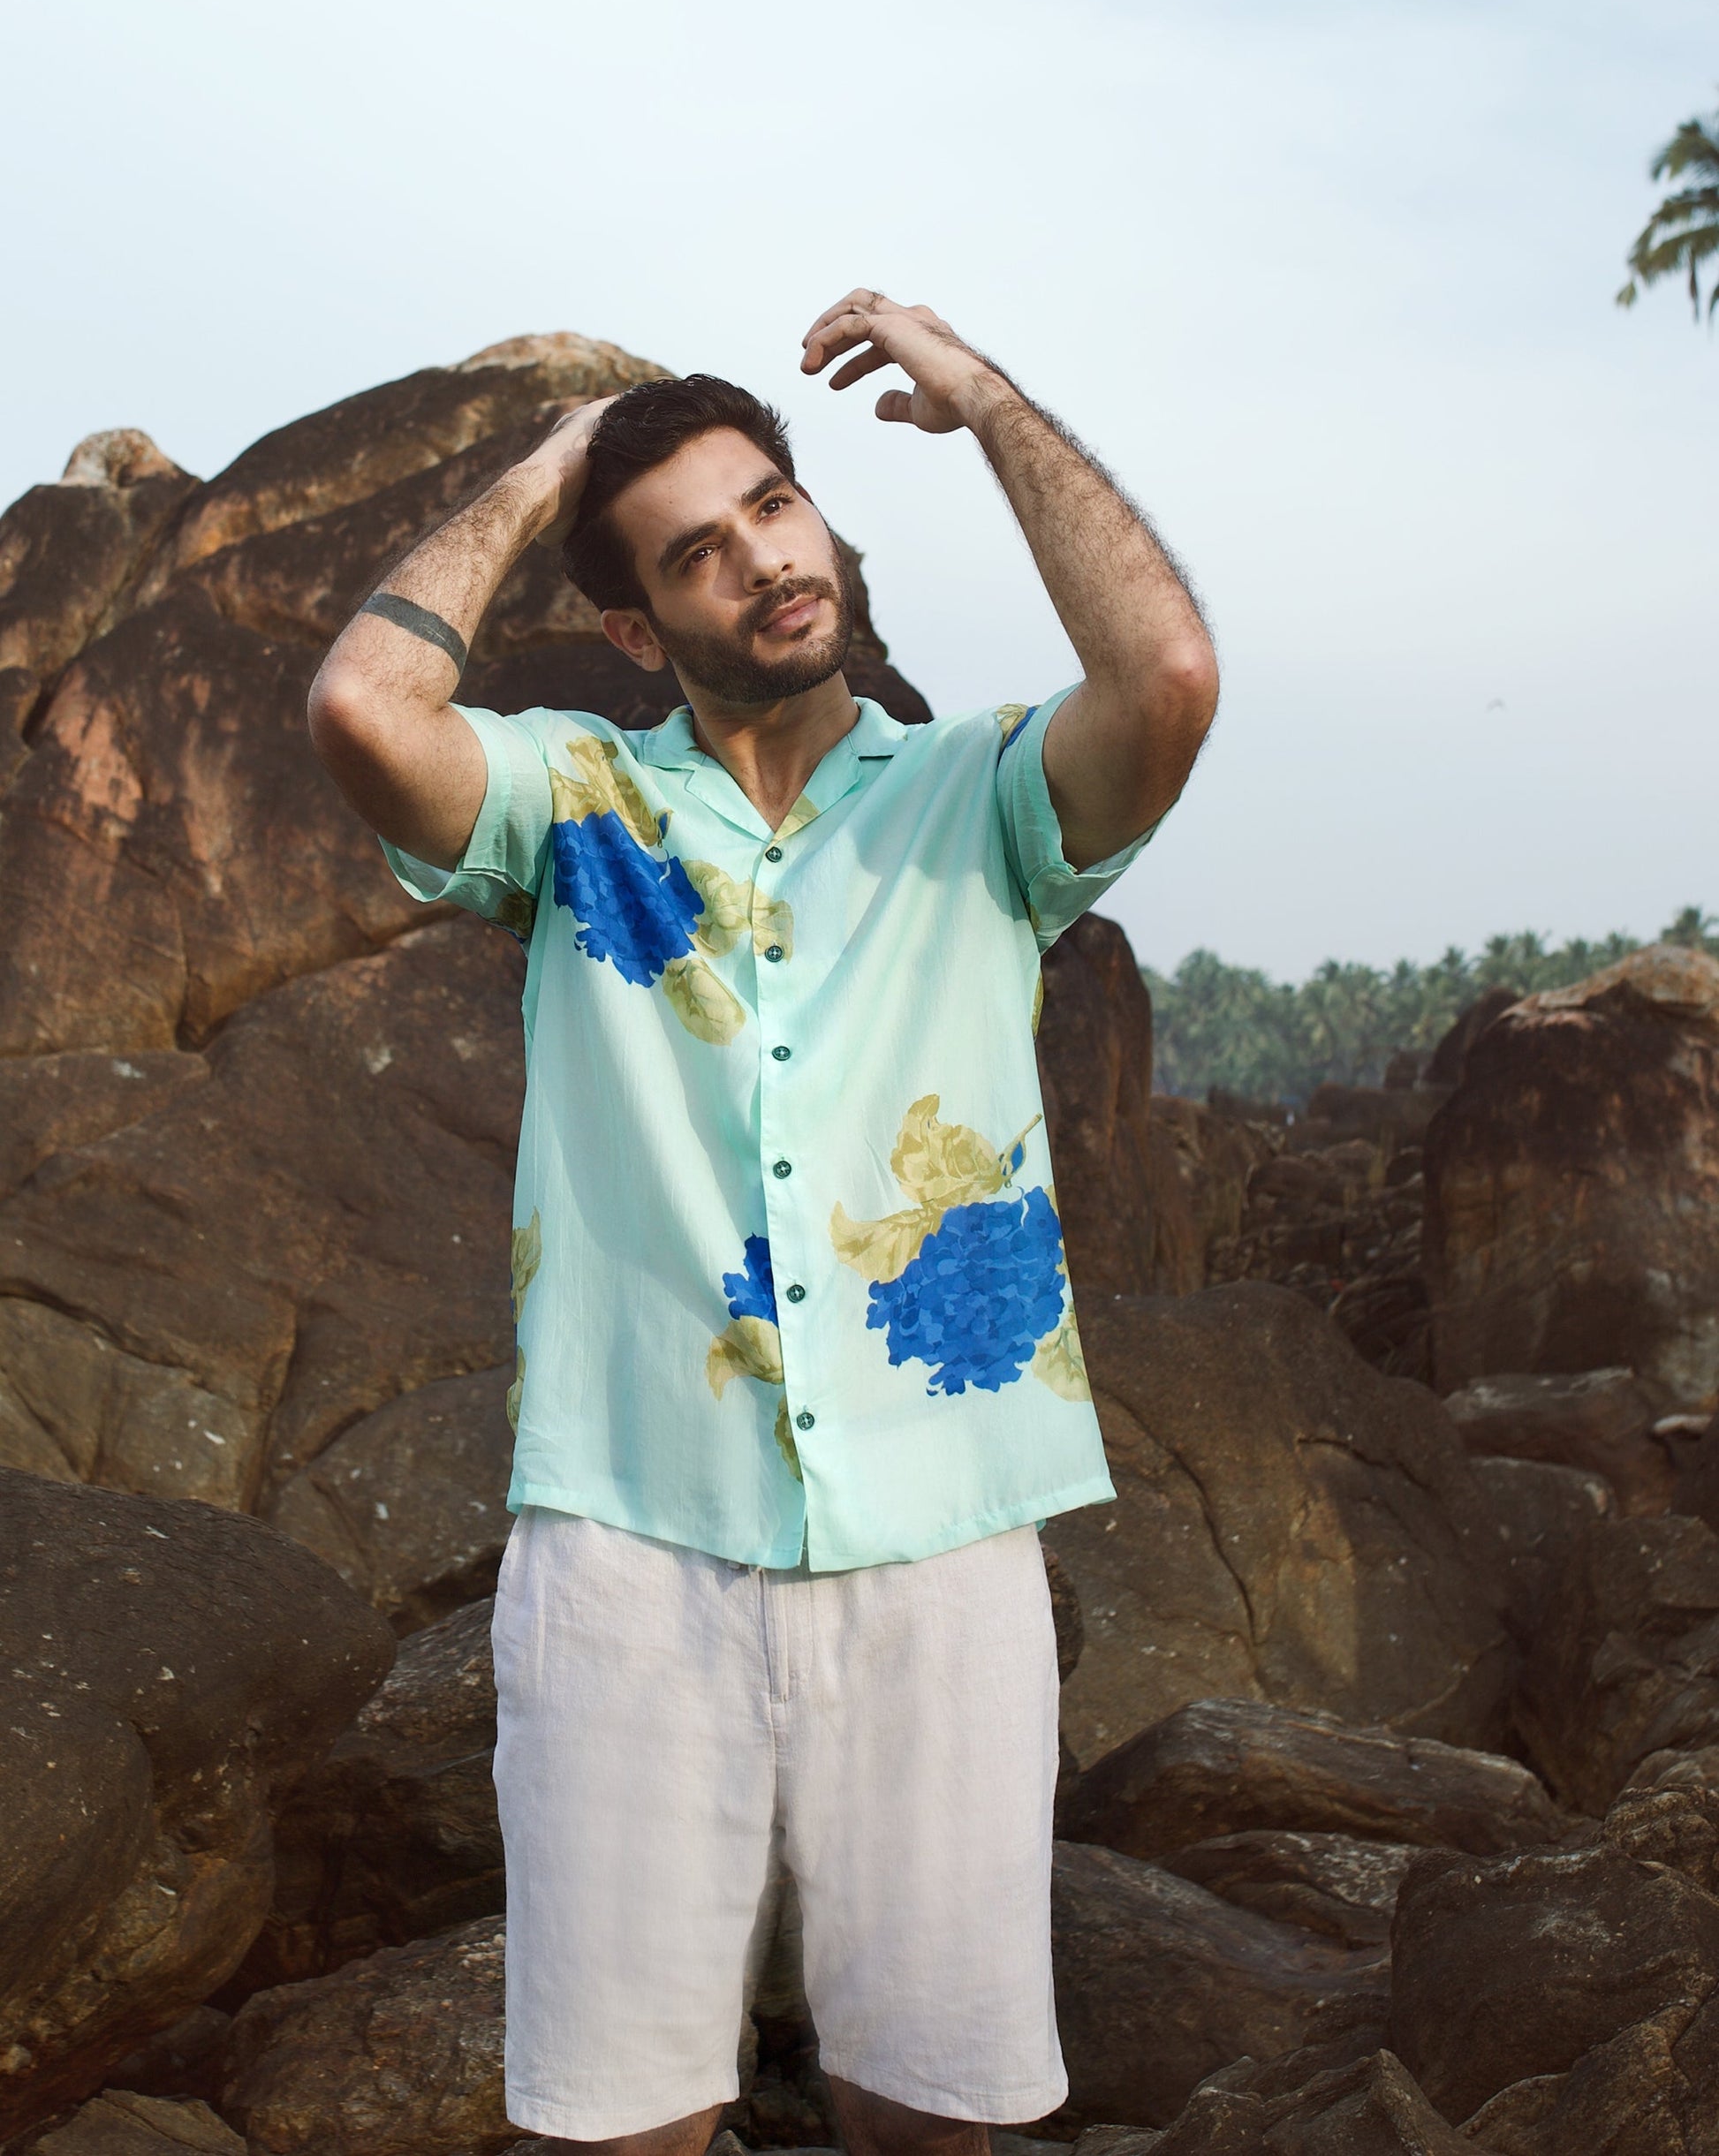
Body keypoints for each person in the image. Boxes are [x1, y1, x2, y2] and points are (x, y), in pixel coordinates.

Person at [307, 290, 1218, 2156]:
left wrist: (990, 404)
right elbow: (358, 707)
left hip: (938, 1533)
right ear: (641, 627)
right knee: (617, 2123)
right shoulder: (575, 802)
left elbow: (1173, 675)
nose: (762, 562)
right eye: (696, 553)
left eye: (770, 508)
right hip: (631, 1540)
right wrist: (552, 464)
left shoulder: (979, 797)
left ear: (822, 517)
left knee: (928, 2116)